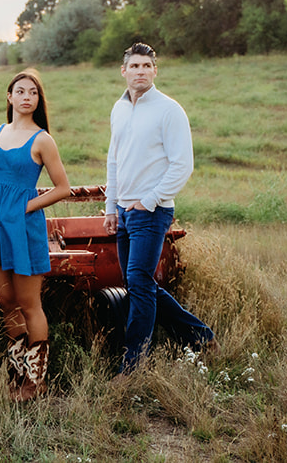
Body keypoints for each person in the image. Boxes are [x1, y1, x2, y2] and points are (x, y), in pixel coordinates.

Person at [104, 43, 214, 376]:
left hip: (152, 211)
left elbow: (183, 165)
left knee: (138, 281)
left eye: (147, 66)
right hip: (123, 211)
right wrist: (112, 206)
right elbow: (114, 159)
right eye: (134, 66)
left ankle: (133, 366)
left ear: (155, 71)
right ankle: (200, 337)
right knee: (139, 283)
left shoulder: (169, 110)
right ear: (124, 71)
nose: (140, 71)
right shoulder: (119, 109)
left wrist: (148, 200)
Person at [0, 69, 72, 400]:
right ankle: (16, 375)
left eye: (33, 92)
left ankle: (36, 380)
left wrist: (27, 207)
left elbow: (63, 188)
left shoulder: (42, 139)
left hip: (22, 225)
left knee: (29, 303)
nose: (27, 96)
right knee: (6, 302)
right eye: (21, 91)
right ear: (10, 96)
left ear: (38, 100)